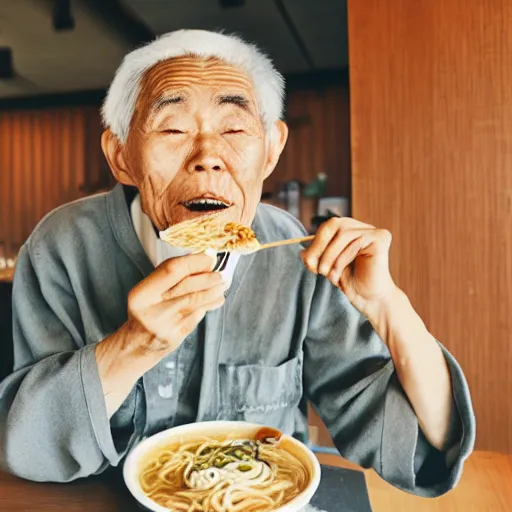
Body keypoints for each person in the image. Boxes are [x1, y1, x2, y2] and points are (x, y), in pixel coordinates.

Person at [0, 30, 474, 496]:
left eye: (233, 129)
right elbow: (25, 450)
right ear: (121, 156)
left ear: (271, 149)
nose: (208, 157)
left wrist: (390, 306)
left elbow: (419, 448)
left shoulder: (297, 253)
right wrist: (134, 345)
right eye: (173, 129)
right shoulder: (61, 245)